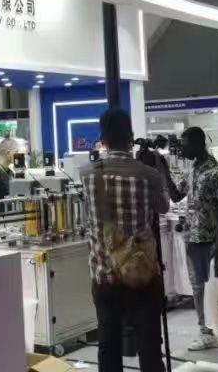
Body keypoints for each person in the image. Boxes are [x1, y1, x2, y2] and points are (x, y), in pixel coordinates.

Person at [82, 108, 169, 372]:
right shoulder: (147, 174)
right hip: (142, 272)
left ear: (102, 139)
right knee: (149, 345)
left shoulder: (88, 173)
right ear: (130, 138)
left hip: (104, 272)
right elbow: (163, 207)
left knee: (108, 344)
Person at [163, 126, 218, 350]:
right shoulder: (192, 170)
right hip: (192, 237)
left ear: (197, 143)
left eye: (184, 145)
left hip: (212, 238)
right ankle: (205, 331)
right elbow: (176, 195)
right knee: (198, 287)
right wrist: (163, 170)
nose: (182, 150)